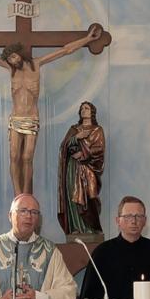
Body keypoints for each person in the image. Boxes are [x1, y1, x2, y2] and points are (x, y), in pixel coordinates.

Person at [0, 28, 103, 195]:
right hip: (16, 118)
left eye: (13, 57)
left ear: (19, 54)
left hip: (32, 118)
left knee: (27, 158)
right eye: (9, 59)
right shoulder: (10, 69)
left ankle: (27, 194)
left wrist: (87, 39)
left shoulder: (36, 64)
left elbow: (65, 51)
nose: (13, 61)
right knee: (14, 156)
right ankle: (17, 195)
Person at [57, 101, 107, 237]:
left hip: (88, 168)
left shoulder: (97, 130)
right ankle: (76, 228)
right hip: (73, 168)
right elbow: (64, 147)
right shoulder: (74, 129)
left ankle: (90, 227)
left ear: (92, 111)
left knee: (90, 196)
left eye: (87, 108)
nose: (84, 110)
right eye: (82, 108)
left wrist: (84, 154)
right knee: (73, 197)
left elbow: (99, 150)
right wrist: (75, 139)